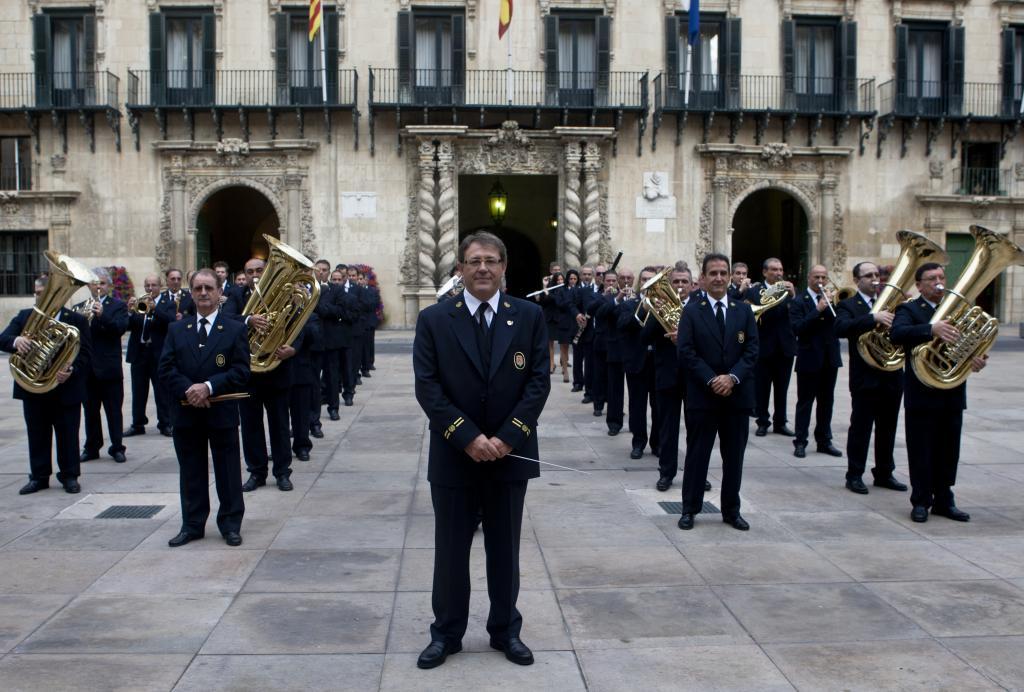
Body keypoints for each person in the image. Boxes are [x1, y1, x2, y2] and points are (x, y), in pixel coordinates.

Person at [413, 231, 550, 670]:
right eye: (474, 261)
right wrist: (467, 436)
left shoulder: (528, 316)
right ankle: (447, 633)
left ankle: (505, 630)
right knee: (450, 550)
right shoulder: (435, 319)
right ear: (460, 268)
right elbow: (428, 387)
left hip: (510, 455)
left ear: (504, 267)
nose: (483, 268)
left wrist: (508, 436)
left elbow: (538, 382)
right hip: (455, 455)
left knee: (505, 549)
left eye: (491, 261)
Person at [159, 268, 250, 547]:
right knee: (191, 471)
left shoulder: (235, 328)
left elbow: (241, 371)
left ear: (220, 293)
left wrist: (208, 387)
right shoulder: (177, 329)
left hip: (220, 412)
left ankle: (230, 524)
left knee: (228, 471)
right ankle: (193, 525)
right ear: (191, 292)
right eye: (198, 288)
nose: (203, 293)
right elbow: (165, 368)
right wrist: (190, 390)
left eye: (209, 288)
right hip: (186, 412)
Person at [890, 262, 985, 523]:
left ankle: (945, 498)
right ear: (919, 285)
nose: (938, 282)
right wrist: (930, 329)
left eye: (942, 277)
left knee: (948, 448)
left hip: (952, 390)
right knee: (921, 448)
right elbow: (896, 334)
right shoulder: (908, 309)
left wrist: (975, 360)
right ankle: (920, 500)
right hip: (921, 392)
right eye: (932, 278)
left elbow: (970, 346)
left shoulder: (959, 310)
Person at [677, 253, 759, 531]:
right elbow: (686, 352)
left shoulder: (743, 310)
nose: (719, 278)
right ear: (703, 278)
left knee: (734, 457)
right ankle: (689, 508)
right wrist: (713, 379)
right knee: (697, 455)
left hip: (736, 397)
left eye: (724, 272)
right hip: (703, 396)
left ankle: (731, 510)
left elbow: (752, 351)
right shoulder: (691, 311)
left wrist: (732, 377)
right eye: (713, 273)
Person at [1, 276, 93, 495]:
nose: (40, 296)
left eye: (43, 292)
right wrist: (16, 341)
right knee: (37, 435)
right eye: (37, 292)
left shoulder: (76, 320)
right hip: (33, 389)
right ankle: (39, 477)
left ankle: (70, 476)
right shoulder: (25, 317)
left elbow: (87, 354)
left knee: (68, 435)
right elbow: (2, 338)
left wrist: (71, 370)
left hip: (65, 388)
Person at [223, 257, 297, 493]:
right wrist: (248, 319)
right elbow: (225, 319)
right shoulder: (236, 294)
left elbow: (301, 321)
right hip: (248, 372)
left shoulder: (282, 292)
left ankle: (283, 472)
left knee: (280, 425)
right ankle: (256, 472)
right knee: (250, 425)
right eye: (250, 271)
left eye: (259, 270)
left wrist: (293, 348)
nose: (255, 274)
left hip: (276, 368)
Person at [834, 262, 908, 494]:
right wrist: (872, 317)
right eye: (868, 275)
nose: (875, 278)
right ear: (857, 281)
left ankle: (884, 473)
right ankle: (854, 474)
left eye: (877, 274)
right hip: (865, 377)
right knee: (861, 428)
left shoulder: (897, 305)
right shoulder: (849, 304)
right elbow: (840, 328)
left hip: (892, 376)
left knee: (888, 427)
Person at [642, 266, 694, 490]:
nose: (680, 286)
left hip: (694, 377)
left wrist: (684, 335)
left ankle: (697, 473)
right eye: (676, 282)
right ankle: (666, 473)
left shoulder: (699, 308)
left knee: (697, 430)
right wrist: (655, 314)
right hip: (667, 375)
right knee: (667, 429)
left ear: (692, 285)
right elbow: (644, 337)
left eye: (684, 281)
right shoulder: (660, 307)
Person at [789, 264, 843, 459]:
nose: (820, 281)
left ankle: (824, 440)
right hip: (809, 357)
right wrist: (817, 310)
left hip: (830, 357)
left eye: (823, 277)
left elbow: (840, 324)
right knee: (805, 402)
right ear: (809, 278)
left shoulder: (833, 299)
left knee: (826, 402)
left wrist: (830, 304)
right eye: (816, 277)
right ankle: (800, 441)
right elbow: (797, 328)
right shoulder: (799, 301)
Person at [77, 268, 129, 464]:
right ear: (89, 286)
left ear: (109, 286)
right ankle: (92, 447)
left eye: (102, 283)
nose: (97, 286)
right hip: (88, 369)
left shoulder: (118, 306)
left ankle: (117, 447)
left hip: (109, 368)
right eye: (94, 283)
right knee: (90, 411)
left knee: (114, 410)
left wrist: (102, 316)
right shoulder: (80, 307)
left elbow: (119, 329)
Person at [745, 257, 796, 437]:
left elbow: (795, 315)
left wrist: (793, 296)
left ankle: (780, 422)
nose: (778, 273)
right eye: (774, 270)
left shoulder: (789, 292)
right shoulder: (755, 291)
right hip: (764, 346)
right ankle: (762, 421)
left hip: (785, 347)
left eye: (780, 270)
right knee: (762, 388)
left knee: (782, 389)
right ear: (765, 272)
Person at [619, 266, 660, 460]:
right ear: (639, 282)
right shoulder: (630, 303)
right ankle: (638, 442)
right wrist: (642, 310)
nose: (647, 283)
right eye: (644, 279)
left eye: (652, 279)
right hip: (637, 361)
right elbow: (624, 325)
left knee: (659, 405)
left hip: (659, 362)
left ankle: (657, 442)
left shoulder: (664, 304)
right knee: (637, 406)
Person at [124, 274, 163, 436]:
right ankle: (138, 424)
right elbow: (129, 326)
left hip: (157, 353)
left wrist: (156, 309)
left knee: (161, 391)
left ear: (160, 287)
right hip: (140, 353)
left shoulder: (166, 303)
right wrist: (130, 312)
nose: (150, 288)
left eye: (154, 285)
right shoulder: (140, 303)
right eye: (147, 285)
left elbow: (170, 322)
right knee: (138, 390)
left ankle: (165, 423)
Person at [572, 265, 599, 397]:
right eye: (584, 274)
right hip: (582, 329)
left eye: (589, 274)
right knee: (581, 360)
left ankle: (594, 392)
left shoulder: (598, 289)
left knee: (593, 363)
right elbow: (570, 304)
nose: (587, 276)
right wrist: (577, 314)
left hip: (596, 331)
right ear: (580, 275)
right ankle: (582, 386)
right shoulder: (578, 290)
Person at [552, 269, 578, 383]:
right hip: (564, 321)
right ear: (567, 279)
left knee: (576, 348)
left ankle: (577, 375)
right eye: (571, 278)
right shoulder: (561, 290)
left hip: (575, 322)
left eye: (575, 279)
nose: (572, 281)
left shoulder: (579, 290)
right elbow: (559, 304)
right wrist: (569, 300)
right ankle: (565, 372)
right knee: (564, 347)